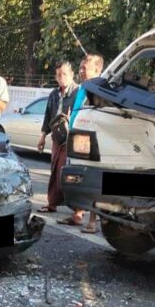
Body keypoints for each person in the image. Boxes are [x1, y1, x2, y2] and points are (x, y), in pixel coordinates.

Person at [67, 53, 105, 232]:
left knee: (91, 179)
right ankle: (78, 214)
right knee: (78, 178)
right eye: (81, 67)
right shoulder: (83, 87)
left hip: (90, 141)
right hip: (77, 138)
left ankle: (92, 220)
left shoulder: (99, 88)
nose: (81, 71)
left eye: (85, 68)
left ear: (97, 70)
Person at [37, 61, 78, 213]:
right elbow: (48, 116)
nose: (62, 78)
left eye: (65, 74)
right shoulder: (54, 94)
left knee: (70, 172)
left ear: (72, 75)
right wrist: (42, 136)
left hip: (73, 138)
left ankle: (77, 210)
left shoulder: (78, 92)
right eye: (59, 75)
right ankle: (52, 203)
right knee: (55, 170)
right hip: (56, 137)